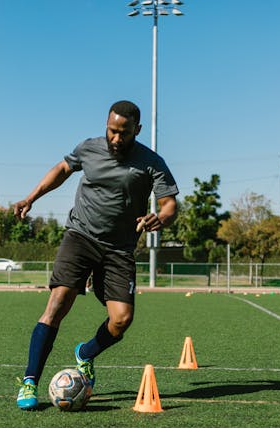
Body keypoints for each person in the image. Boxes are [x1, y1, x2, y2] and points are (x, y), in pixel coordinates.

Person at [13, 100, 179, 410]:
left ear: (137, 131)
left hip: (119, 248)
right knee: (58, 302)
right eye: (112, 131)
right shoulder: (88, 148)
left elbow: (169, 203)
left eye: (124, 133)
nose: (116, 138)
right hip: (81, 236)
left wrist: (161, 217)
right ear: (106, 125)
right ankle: (29, 382)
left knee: (121, 320)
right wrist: (31, 197)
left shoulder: (151, 161)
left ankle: (86, 353)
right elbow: (63, 169)